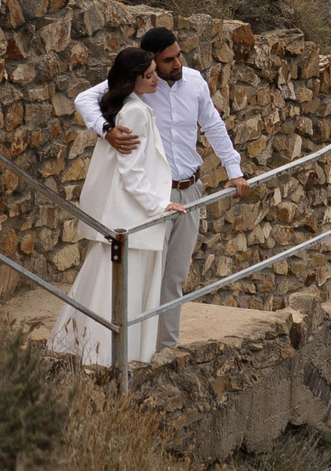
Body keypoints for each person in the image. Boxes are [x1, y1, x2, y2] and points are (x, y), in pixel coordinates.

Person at [76, 26, 248, 324]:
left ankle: (165, 350)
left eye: (179, 55)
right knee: (145, 275)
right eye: (168, 60)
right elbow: (84, 100)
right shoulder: (142, 84)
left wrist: (234, 171)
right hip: (153, 195)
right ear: (151, 62)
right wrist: (106, 131)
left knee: (174, 277)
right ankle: (137, 348)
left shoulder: (194, 82)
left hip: (190, 190)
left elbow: (214, 126)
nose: (177, 64)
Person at [51, 46, 186, 366]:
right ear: (133, 79)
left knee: (102, 284)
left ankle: (87, 351)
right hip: (133, 217)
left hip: (122, 217)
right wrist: (160, 205)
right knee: (127, 289)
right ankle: (111, 359)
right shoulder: (135, 112)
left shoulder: (125, 105)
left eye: (156, 72)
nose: (157, 79)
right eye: (150, 75)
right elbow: (132, 173)